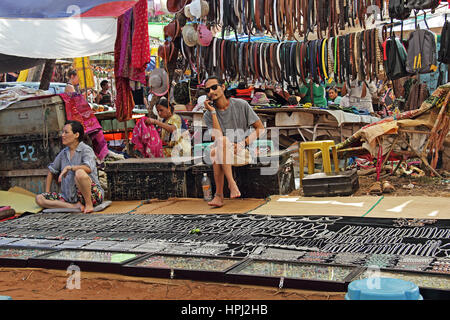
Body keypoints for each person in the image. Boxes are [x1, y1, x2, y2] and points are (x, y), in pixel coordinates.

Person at [203, 76, 265, 208]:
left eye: (214, 87)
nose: (211, 92)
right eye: (207, 90)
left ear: (223, 87)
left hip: (242, 150)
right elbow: (217, 138)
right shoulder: (208, 114)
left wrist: (243, 143)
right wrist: (213, 112)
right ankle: (231, 183)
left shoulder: (241, 105)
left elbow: (260, 128)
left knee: (216, 151)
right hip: (222, 150)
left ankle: (219, 195)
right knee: (220, 145)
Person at [35, 120, 104, 213]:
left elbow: (88, 168)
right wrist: (47, 193)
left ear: (76, 135)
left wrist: (70, 167)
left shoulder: (86, 150)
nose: (62, 135)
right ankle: (73, 206)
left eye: (66, 132)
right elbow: (51, 171)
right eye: (62, 132)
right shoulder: (63, 153)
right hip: (69, 197)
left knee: (79, 172)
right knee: (39, 198)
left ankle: (89, 205)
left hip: (92, 195)